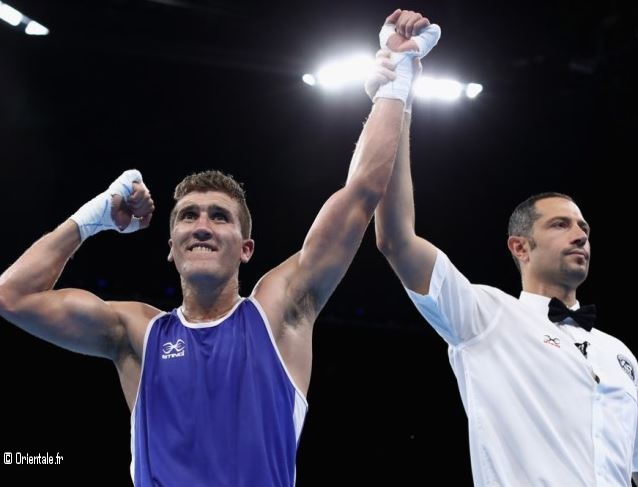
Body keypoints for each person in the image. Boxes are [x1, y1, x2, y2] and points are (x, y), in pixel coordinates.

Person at [0, 9, 440, 487]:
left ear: (246, 248)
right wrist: (94, 218)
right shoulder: (138, 333)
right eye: (188, 216)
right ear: (171, 247)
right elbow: (12, 296)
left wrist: (396, 76)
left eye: (219, 216)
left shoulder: (279, 311)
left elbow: (361, 193)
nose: (203, 226)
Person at [369, 19, 638, 485]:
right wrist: (402, 86)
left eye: (584, 227)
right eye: (560, 225)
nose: (580, 235)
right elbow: (396, 238)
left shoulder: (622, 355)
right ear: (520, 246)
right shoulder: (487, 317)